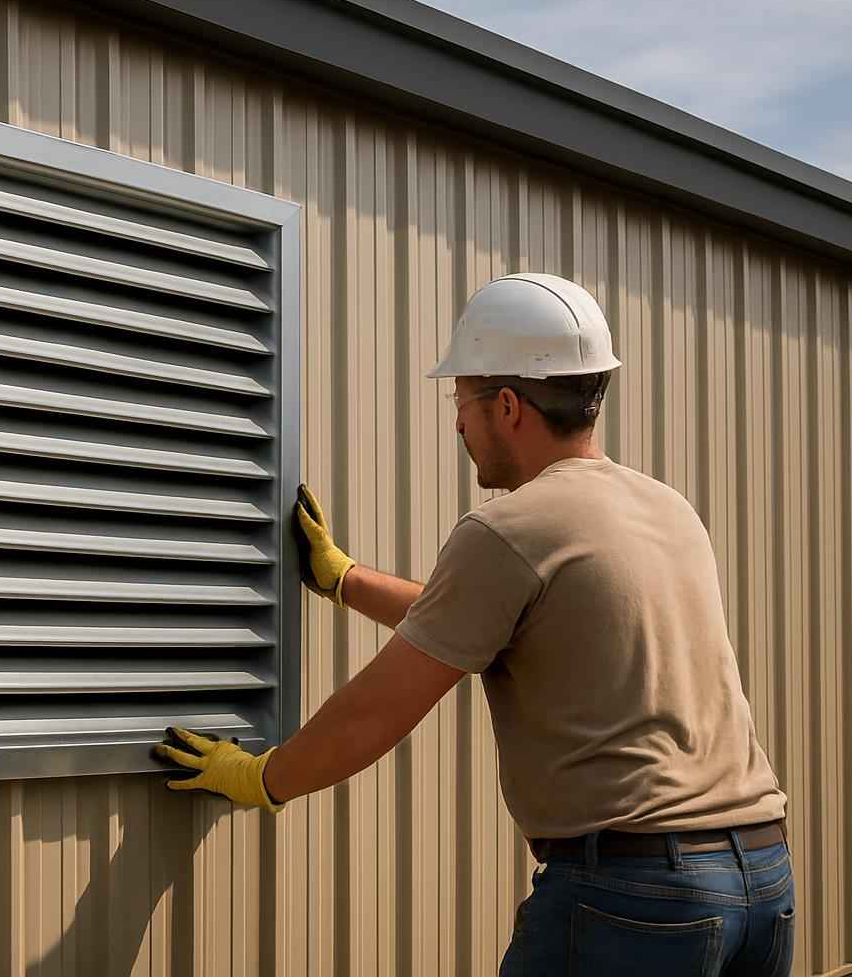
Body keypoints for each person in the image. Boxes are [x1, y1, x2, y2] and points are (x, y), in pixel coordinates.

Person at [154, 273, 793, 975]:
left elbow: (376, 712)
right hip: (760, 877)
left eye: (461, 401)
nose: (458, 422)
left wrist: (261, 777)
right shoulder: (665, 507)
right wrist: (345, 580)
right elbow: (504, 623)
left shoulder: (512, 526)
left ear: (509, 406)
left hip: (636, 897)